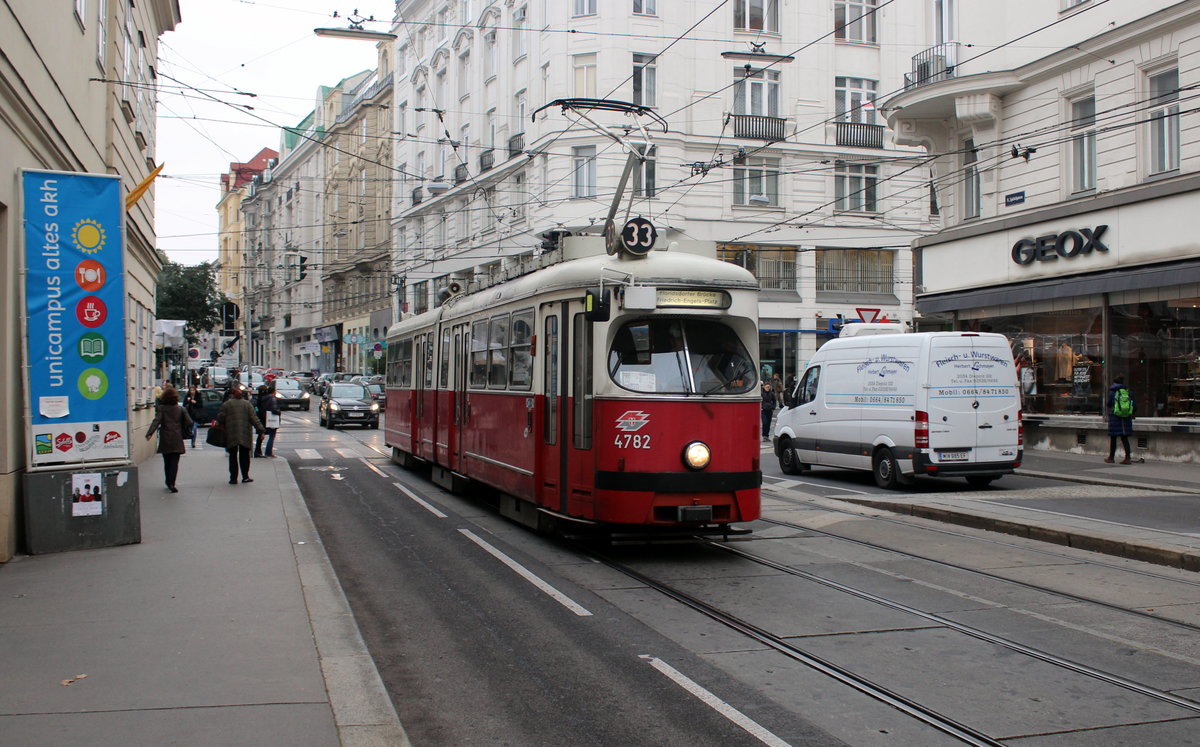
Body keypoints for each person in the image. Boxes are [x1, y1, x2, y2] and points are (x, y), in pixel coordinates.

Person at [145, 385, 194, 493]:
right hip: (177, 437)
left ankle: (168, 481)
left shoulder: (162, 408)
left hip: (165, 437)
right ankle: (172, 483)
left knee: (167, 461)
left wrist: (149, 433)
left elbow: (156, 421)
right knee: (174, 462)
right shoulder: (181, 409)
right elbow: (189, 422)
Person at [217, 387, 265, 484]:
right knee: (244, 456)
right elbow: (254, 418)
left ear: (232, 395)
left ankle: (233, 478)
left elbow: (220, 418)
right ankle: (245, 476)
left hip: (231, 433)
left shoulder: (226, 405)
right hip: (245, 433)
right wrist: (261, 430)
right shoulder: (247, 404)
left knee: (233, 456)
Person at [1105, 375, 1134, 464]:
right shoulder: (1128, 392)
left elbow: (1109, 404)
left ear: (1114, 383)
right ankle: (1128, 457)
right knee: (1124, 438)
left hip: (1115, 417)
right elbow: (1134, 405)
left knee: (1113, 437)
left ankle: (1111, 457)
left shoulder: (1112, 392)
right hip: (1126, 417)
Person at [254, 383, 280, 458]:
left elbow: (257, 408)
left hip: (262, 418)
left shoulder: (260, 398)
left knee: (261, 435)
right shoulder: (271, 398)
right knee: (271, 436)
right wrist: (279, 412)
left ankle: (258, 451)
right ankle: (267, 452)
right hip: (269, 419)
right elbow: (274, 409)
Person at [183, 384, 205, 448]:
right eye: (190, 390)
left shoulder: (198, 395)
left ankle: (193, 442)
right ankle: (190, 438)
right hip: (189, 414)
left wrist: (195, 402)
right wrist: (188, 401)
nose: (192, 391)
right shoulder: (187, 396)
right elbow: (184, 405)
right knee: (190, 428)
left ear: (195, 390)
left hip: (196, 415)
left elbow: (201, 405)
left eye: (193, 390)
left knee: (194, 428)